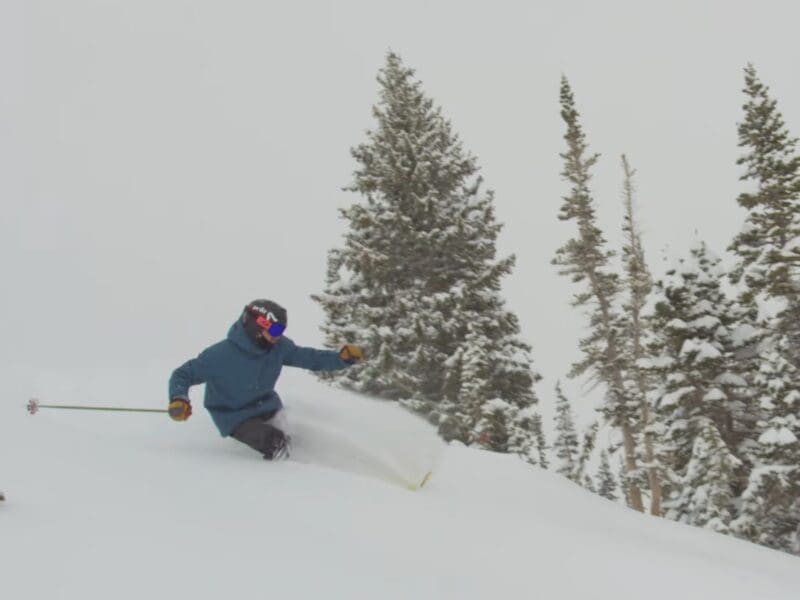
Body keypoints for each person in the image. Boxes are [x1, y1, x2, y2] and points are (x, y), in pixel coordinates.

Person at [168, 299, 362, 460]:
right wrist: (179, 399)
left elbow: (307, 357)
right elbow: (183, 374)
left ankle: (323, 466)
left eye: (281, 331)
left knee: (301, 439)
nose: (279, 337)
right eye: (276, 331)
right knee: (276, 444)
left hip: (267, 407)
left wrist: (341, 359)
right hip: (235, 417)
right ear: (258, 327)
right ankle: (292, 481)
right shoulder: (220, 356)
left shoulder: (277, 348)